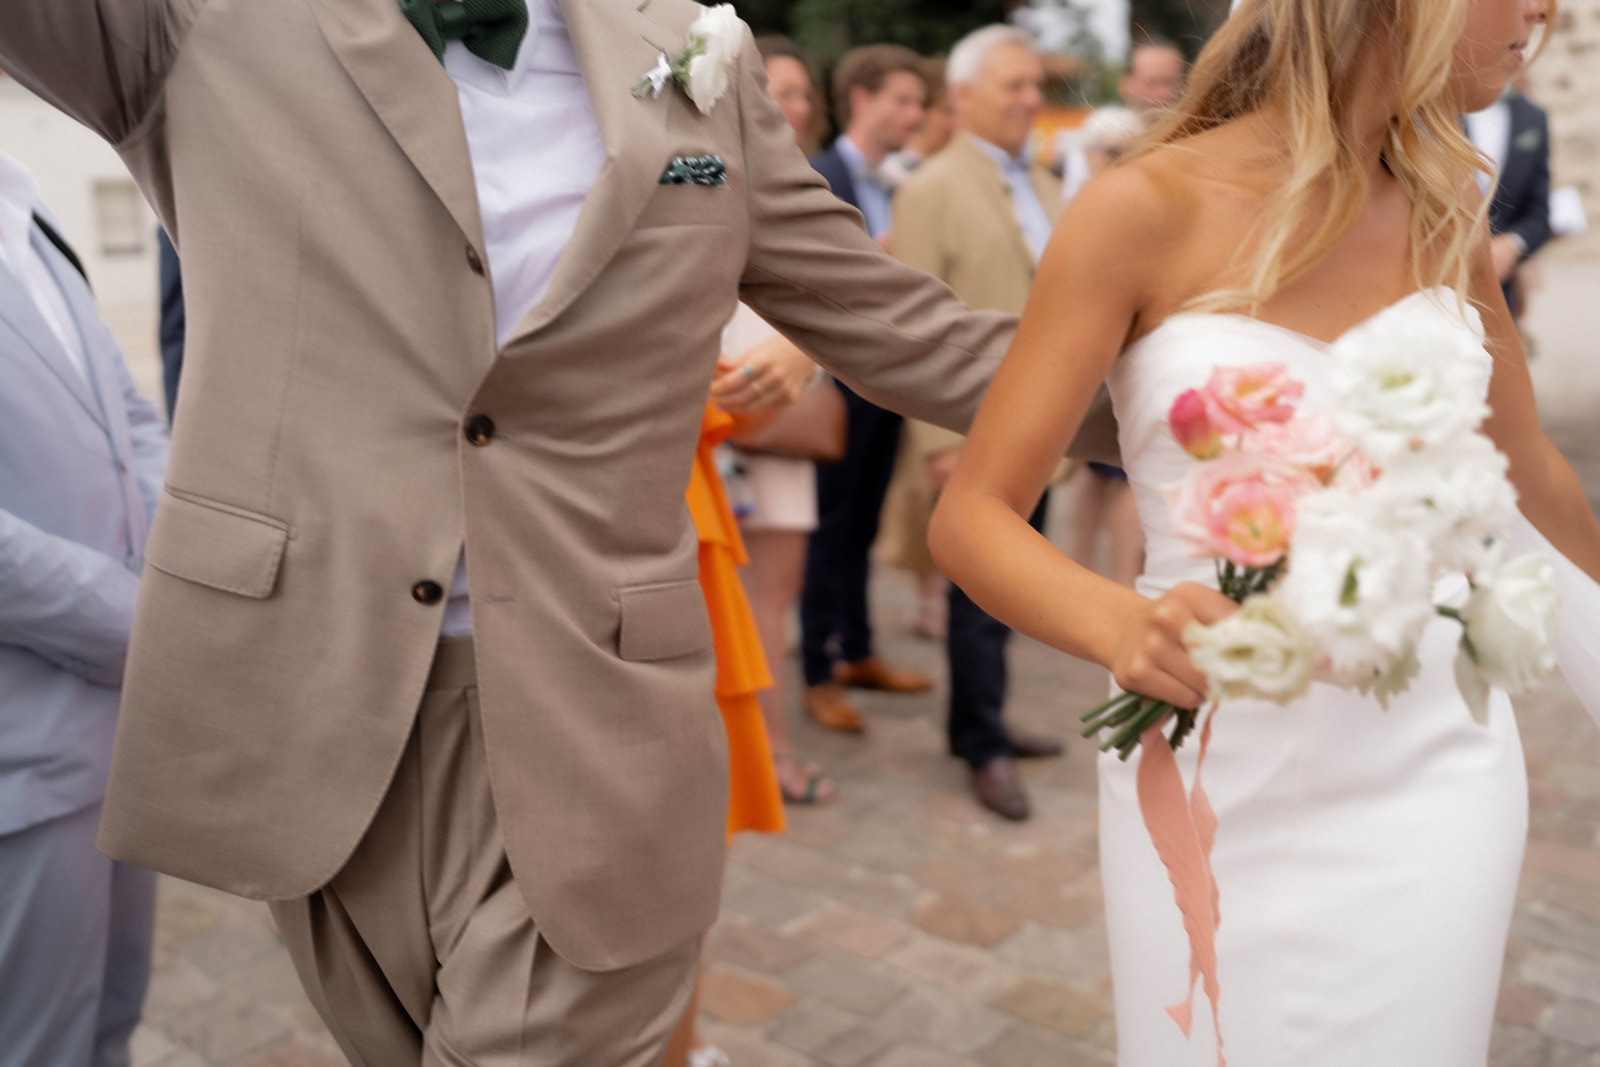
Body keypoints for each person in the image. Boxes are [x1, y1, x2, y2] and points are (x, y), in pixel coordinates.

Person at [0, 3, 1117, 1063]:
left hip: (598, 710)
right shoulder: (196, 26)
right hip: (315, 702)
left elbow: (899, 324)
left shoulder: (688, 51)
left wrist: (1219, 407)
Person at [930, 0, 1597, 1060]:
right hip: (1211, 751)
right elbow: (971, 514)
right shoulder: (1138, 208)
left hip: (1439, 760)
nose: (1545, 9)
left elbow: (1532, 474)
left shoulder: (1444, 211)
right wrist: (1115, 621)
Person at [0, 150, 169, 1067]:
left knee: (112, 1019)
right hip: (21, 752)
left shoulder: (34, 215)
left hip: (120, 733)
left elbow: (131, 419)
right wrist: (137, 619)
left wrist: (180, 582)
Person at [890, 25, 1068, 821]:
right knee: (977, 598)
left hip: (1050, 428)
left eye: (1035, 85)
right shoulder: (929, 187)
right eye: (1014, 86)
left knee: (1011, 596)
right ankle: (981, 743)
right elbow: (910, 328)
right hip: (975, 433)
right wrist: (937, 445)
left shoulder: (1043, 177)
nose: (1031, 100)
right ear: (962, 98)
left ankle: (984, 723)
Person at [802, 44, 936, 733]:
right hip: (833, 385)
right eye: (903, 101)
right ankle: (815, 670)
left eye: (919, 103)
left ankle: (856, 650)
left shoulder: (904, 180)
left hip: (889, 387)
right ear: (862, 98)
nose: (914, 115)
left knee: (861, 526)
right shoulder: (820, 175)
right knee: (824, 530)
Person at [1465, 84, 1552, 318]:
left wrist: (1513, 245)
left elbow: (1539, 212)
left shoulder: (1533, 117)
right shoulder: (1434, 108)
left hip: (1499, 289)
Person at [1119, 35, 1187, 117]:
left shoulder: (1198, 126)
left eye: (1170, 82)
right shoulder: (1109, 127)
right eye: (1152, 83)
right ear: (1127, 85)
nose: (1163, 94)